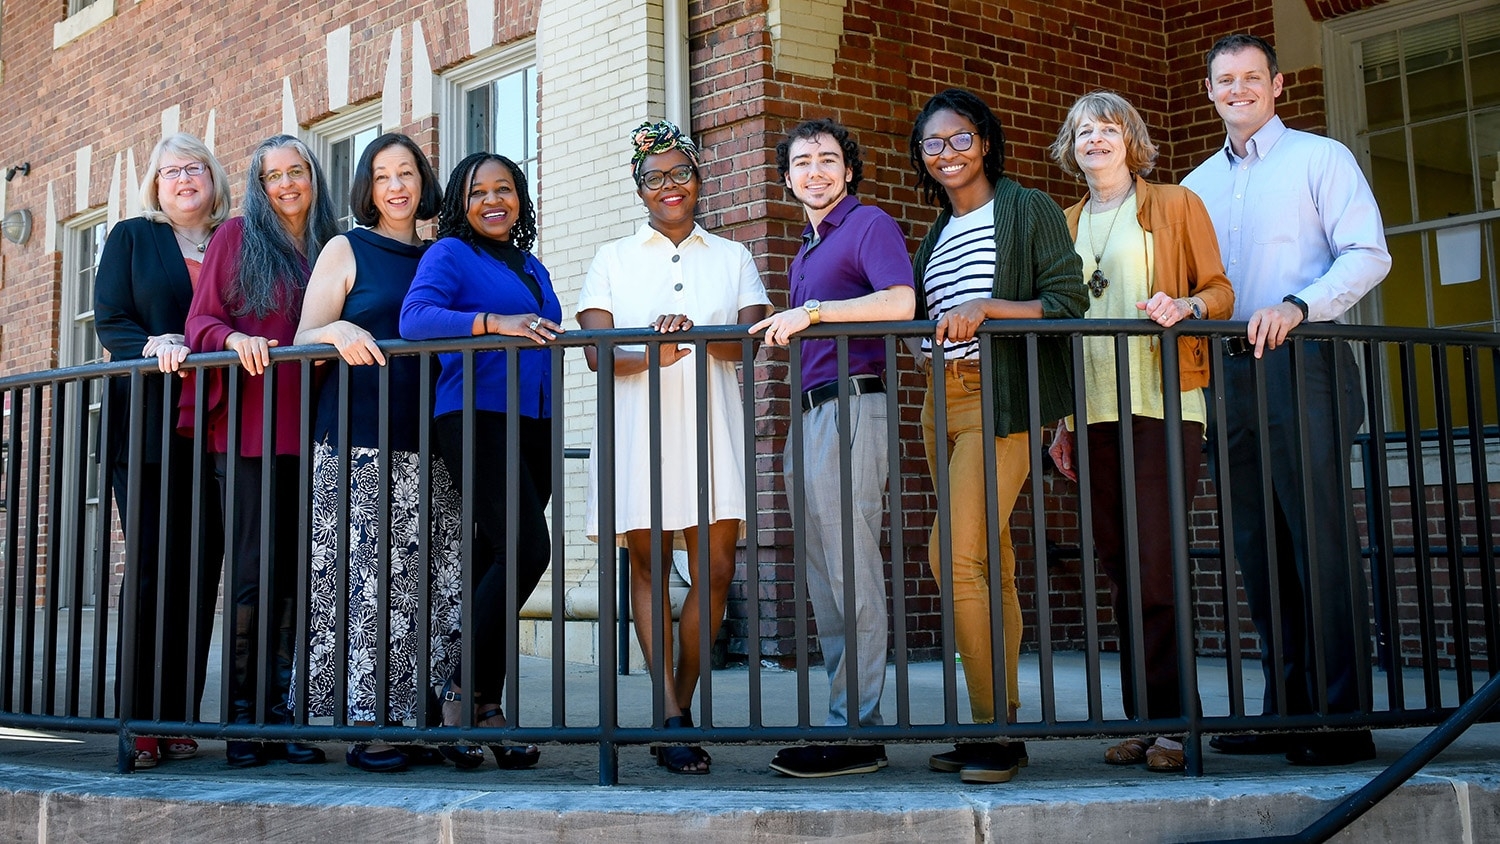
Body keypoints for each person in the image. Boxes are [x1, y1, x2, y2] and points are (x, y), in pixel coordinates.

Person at [1180, 34, 1390, 766]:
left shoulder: (1320, 158)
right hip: (1228, 376)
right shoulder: (1196, 184)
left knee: (1318, 542)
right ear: (1209, 92)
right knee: (1257, 547)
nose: (1237, 89)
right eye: (1223, 80)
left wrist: (1301, 305)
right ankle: (1286, 709)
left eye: (1250, 77)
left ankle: (1340, 717)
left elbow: (1367, 252)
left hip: (1303, 362)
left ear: (1276, 86)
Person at [1045, 91, 1234, 774]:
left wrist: (1184, 304)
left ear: (1131, 140)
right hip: (1089, 412)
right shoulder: (1062, 222)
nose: (1096, 140)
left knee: (1156, 566)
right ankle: (1145, 719)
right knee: (1123, 571)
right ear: (1072, 146)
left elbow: (1219, 291)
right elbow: (1056, 321)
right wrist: (1058, 423)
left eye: (1108, 129)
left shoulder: (1175, 204)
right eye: (1084, 131)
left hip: (1161, 403)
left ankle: (1179, 724)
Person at [907, 88, 1088, 785]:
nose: (947, 153)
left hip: (1000, 394)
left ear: (984, 141)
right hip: (939, 401)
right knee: (992, 561)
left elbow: (1068, 303)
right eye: (932, 144)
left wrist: (986, 308)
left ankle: (992, 731)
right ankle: (1001, 715)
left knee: (952, 555)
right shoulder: (936, 231)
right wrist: (927, 344)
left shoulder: (1027, 208)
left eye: (959, 139)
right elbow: (934, 314)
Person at [578, 120, 770, 775]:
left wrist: (694, 333)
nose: (670, 186)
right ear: (638, 188)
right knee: (649, 571)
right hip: (638, 431)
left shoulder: (733, 256)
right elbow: (602, 359)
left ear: (698, 177)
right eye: (655, 177)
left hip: (711, 427)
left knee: (715, 572)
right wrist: (657, 350)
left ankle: (677, 703)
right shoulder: (612, 258)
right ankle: (670, 715)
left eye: (680, 173)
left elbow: (744, 346)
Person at [291, 133, 463, 773]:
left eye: (408, 172)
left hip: (437, 438)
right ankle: (366, 726)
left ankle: (421, 721)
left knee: (430, 584)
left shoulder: (444, 253)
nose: (397, 185)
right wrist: (333, 328)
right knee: (363, 583)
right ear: (369, 186)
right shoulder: (346, 246)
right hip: (357, 437)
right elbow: (305, 335)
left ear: (423, 181)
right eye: (384, 174)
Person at [750, 118, 914, 778]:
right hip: (810, 415)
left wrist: (814, 313)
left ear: (848, 170)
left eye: (827, 159)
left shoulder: (868, 223)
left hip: (854, 403)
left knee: (852, 566)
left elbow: (902, 302)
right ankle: (844, 715)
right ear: (787, 179)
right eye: (802, 162)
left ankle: (860, 725)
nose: (815, 171)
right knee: (822, 574)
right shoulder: (806, 250)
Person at [180, 134, 340, 768]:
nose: (287, 185)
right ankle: (244, 723)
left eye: (296, 172)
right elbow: (200, 323)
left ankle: (285, 719)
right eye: (273, 176)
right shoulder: (238, 237)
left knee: (301, 580)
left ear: (312, 178)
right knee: (253, 577)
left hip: (318, 431)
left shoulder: (332, 243)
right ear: (259, 184)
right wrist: (235, 337)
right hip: (251, 432)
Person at [399, 152, 562, 771]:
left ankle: (486, 706)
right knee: (526, 549)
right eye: (478, 192)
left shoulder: (529, 262)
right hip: (474, 415)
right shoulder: (449, 255)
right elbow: (415, 320)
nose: (493, 201)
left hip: (534, 421)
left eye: (505, 190)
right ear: (459, 205)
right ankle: (460, 694)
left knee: (498, 555)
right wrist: (494, 322)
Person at [94, 132, 229, 770]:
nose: (183, 179)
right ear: (155, 185)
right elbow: (111, 319)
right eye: (170, 171)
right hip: (148, 427)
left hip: (216, 428)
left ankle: (177, 716)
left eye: (194, 168)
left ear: (213, 178)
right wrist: (152, 346)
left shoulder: (233, 241)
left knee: (201, 569)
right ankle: (138, 720)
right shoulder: (131, 237)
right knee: (152, 567)